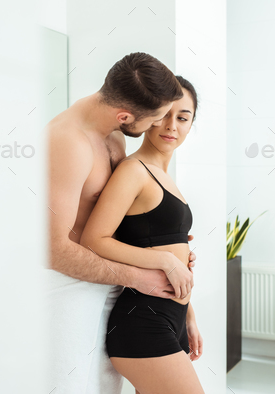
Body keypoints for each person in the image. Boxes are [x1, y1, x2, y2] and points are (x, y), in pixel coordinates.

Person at [46, 53, 197, 394]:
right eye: (157, 118)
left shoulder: (114, 135)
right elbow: (53, 249)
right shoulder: (67, 142)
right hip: (69, 290)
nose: (165, 126)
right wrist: (149, 270)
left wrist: (165, 247)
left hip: (113, 286)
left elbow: (118, 220)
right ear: (126, 115)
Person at [80, 76, 204, 394]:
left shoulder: (165, 176)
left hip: (170, 318)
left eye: (183, 117)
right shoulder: (134, 171)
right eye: (164, 114)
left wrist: (188, 315)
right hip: (142, 322)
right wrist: (165, 259)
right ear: (149, 115)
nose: (171, 125)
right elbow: (94, 239)